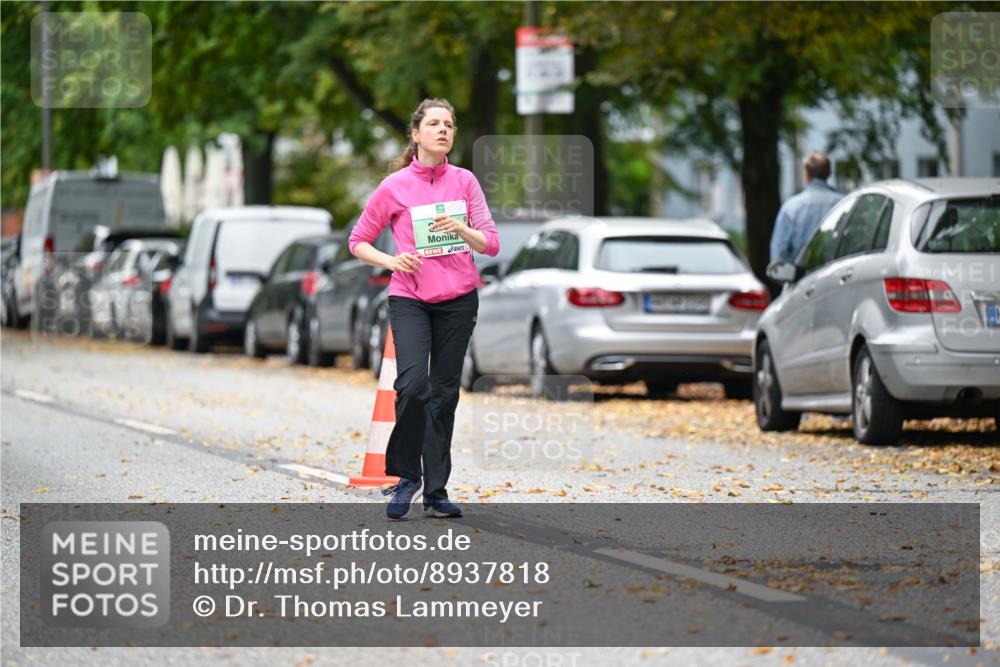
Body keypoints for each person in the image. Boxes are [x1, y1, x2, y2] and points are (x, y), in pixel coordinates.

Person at [348, 98, 500, 520]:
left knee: (444, 395)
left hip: (459, 300)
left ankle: (436, 491)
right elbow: (357, 241)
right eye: (434, 123)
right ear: (416, 134)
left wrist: (462, 228)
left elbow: (491, 243)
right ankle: (406, 476)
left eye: (448, 124)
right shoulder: (394, 186)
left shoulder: (465, 181)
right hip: (410, 297)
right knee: (413, 386)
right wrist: (392, 261)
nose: (443, 130)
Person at [769, 152, 843, 266]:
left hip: (802, 274)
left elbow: (778, 254)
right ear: (829, 173)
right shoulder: (843, 203)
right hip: (838, 272)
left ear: (807, 174)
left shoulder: (791, 207)